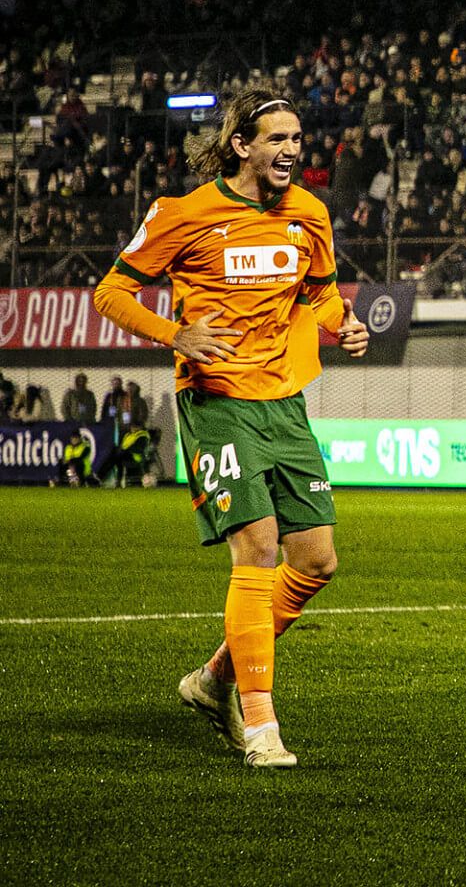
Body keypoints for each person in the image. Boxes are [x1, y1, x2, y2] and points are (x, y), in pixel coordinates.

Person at [91, 87, 370, 769]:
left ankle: (215, 678)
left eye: (298, 140)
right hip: (216, 401)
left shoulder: (309, 214)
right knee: (259, 550)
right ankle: (260, 724)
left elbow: (321, 293)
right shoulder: (184, 215)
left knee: (317, 561)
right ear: (241, 145)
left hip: (284, 403)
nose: (292, 151)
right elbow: (111, 293)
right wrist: (175, 334)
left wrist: (343, 322)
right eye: (278, 139)